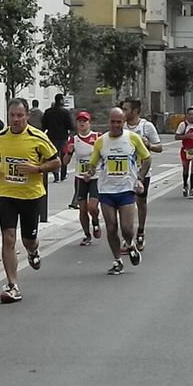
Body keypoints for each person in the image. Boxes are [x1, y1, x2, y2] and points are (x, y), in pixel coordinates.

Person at [0, 98, 60, 303]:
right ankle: (12, 285)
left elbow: (56, 161)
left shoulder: (38, 138)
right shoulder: (0, 138)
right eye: (12, 115)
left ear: (27, 116)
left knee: (28, 239)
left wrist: (37, 169)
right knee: (8, 239)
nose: (16, 119)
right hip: (7, 194)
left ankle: (33, 249)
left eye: (20, 115)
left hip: (31, 195)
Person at [85, 108, 151, 275]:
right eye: (112, 122)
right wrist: (89, 172)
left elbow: (147, 158)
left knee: (127, 229)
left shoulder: (133, 138)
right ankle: (117, 260)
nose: (115, 125)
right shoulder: (101, 141)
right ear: (109, 121)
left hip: (127, 189)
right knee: (111, 227)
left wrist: (140, 178)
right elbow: (93, 163)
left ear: (123, 122)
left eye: (119, 122)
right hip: (106, 190)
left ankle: (130, 244)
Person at [122, 99, 162, 251]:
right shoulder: (121, 126)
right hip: (124, 172)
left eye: (126, 109)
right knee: (126, 204)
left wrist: (149, 145)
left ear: (135, 111)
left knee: (141, 202)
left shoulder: (146, 126)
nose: (123, 112)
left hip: (142, 170)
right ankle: (127, 237)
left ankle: (140, 231)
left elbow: (159, 147)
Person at [62, 111, 101, 246]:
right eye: (80, 121)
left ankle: (95, 221)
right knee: (83, 208)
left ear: (89, 123)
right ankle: (87, 234)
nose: (82, 124)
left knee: (92, 207)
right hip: (80, 178)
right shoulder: (73, 140)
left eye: (85, 121)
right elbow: (65, 162)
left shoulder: (97, 137)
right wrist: (70, 151)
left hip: (95, 177)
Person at [42, 93, 74, 182]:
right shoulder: (65, 112)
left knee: (53, 156)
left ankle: (56, 175)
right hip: (63, 137)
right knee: (63, 156)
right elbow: (70, 126)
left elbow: (44, 125)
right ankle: (63, 175)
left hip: (51, 137)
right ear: (61, 100)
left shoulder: (48, 112)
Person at [175, 106, 193, 197]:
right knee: (186, 168)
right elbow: (176, 137)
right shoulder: (183, 125)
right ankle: (185, 185)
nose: (192, 116)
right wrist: (186, 136)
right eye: (190, 115)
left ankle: (192, 188)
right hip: (186, 149)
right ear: (186, 115)